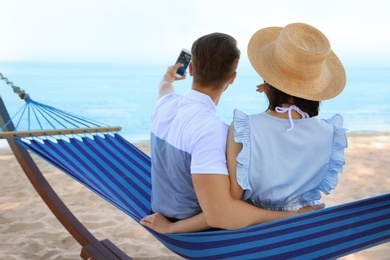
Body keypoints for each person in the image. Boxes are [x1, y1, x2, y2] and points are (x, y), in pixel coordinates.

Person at [141, 31, 323, 233]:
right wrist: (295, 215)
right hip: (191, 226)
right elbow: (220, 214)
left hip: (161, 207)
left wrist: (169, 77)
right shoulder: (212, 130)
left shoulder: (164, 104)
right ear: (232, 78)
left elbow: (164, 87)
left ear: (191, 69)